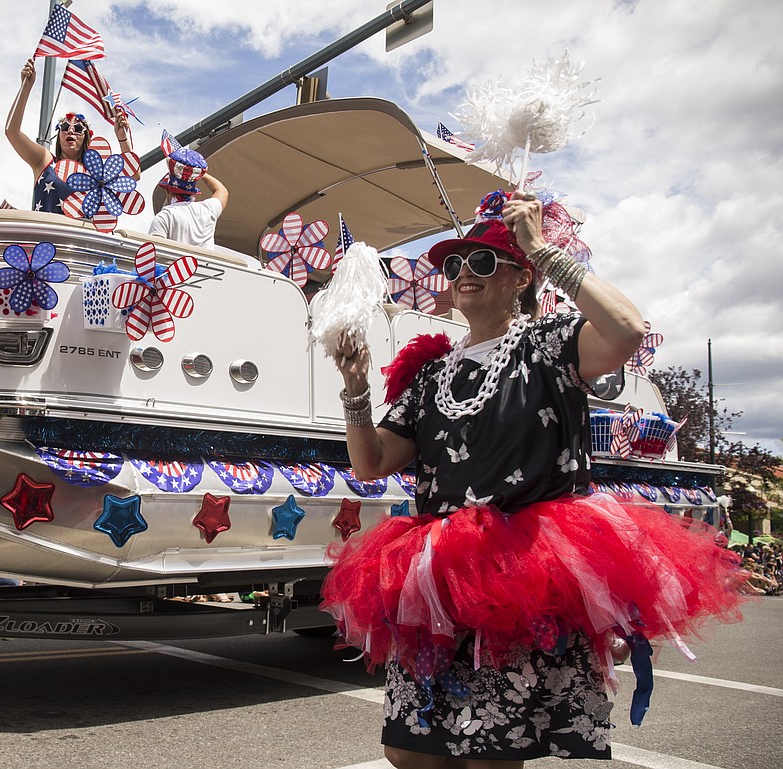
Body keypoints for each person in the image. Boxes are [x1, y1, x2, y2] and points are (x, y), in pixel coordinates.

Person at [321, 192, 746, 767]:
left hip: (521, 568)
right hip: (439, 574)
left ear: (520, 278)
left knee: (490, 754)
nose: (463, 274)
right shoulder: (429, 374)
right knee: (410, 751)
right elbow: (371, 464)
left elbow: (625, 331)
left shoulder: (550, 345)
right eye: (453, 265)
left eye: (482, 263)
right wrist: (354, 386)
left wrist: (546, 250)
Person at [6, 57, 136, 214]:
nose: (70, 130)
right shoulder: (44, 162)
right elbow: (11, 131)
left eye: (78, 128)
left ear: (86, 137)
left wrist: (123, 138)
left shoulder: (97, 174)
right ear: (59, 134)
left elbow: (133, 176)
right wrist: (25, 87)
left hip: (80, 238)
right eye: (65, 126)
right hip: (44, 237)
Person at [147, 143, 227, 249]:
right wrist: (196, 172)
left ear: (168, 190)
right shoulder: (207, 210)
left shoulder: (164, 217)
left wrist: (191, 171)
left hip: (177, 265)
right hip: (206, 266)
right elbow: (222, 190)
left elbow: (153, 255)